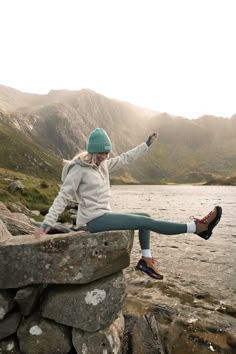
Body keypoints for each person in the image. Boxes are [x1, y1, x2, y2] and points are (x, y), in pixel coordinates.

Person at [34, 128, 222, 280]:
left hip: (103, 215)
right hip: (91, 221)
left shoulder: (104, 164)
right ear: (92, 151)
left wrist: (146, 144)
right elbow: (62, 197)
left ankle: (146, 260)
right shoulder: (79, 170)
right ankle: (196, 228)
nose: (104, 157)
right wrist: (46, 224)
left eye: (107, 153)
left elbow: (126, 158)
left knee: (145, 217)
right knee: (145, 223)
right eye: (101, 153)